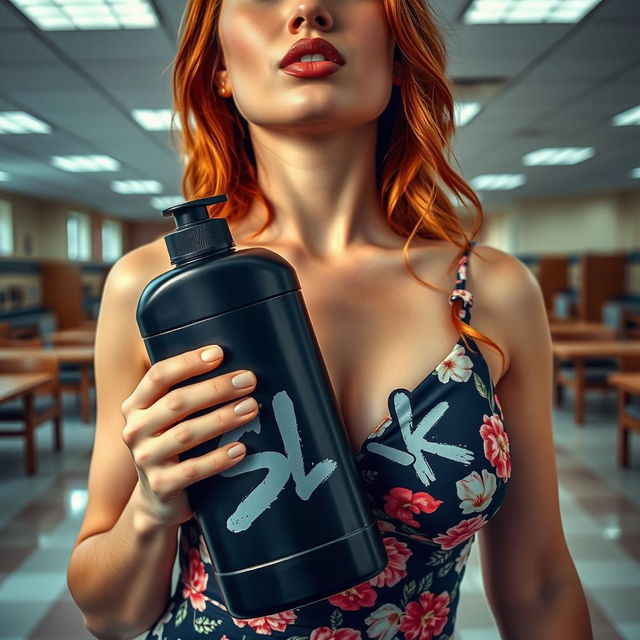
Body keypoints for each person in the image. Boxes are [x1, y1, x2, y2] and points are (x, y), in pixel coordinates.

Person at [67, 1, 593, 639]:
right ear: (220, 69)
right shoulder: (153, 291)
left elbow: (539, 586)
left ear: (399, 54)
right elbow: (109, 615)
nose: (307, 10)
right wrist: (151, 509)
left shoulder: (487, 290)